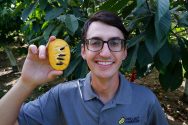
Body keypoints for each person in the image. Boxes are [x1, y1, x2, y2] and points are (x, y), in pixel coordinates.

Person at [0, 10, 169, 125]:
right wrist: (26, 82)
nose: (104, 52)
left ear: (124, 52)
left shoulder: (146, 100)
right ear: (83, 51)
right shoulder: (62, 96)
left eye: (115, 43)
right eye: (95, 42)